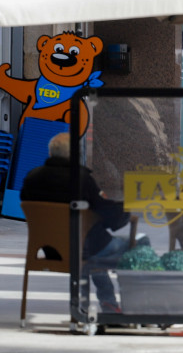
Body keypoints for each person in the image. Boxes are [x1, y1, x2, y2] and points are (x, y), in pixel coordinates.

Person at [20, 132, 132, 313]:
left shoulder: (31, 178)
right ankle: (132, 304)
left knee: (90, 243)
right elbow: (106, 211)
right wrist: (125, 209)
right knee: (136, 245)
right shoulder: (81, 179)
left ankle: (93, 303)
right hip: (84, 248)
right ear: (75, 154)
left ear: (50, 154)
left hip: (52, 250)